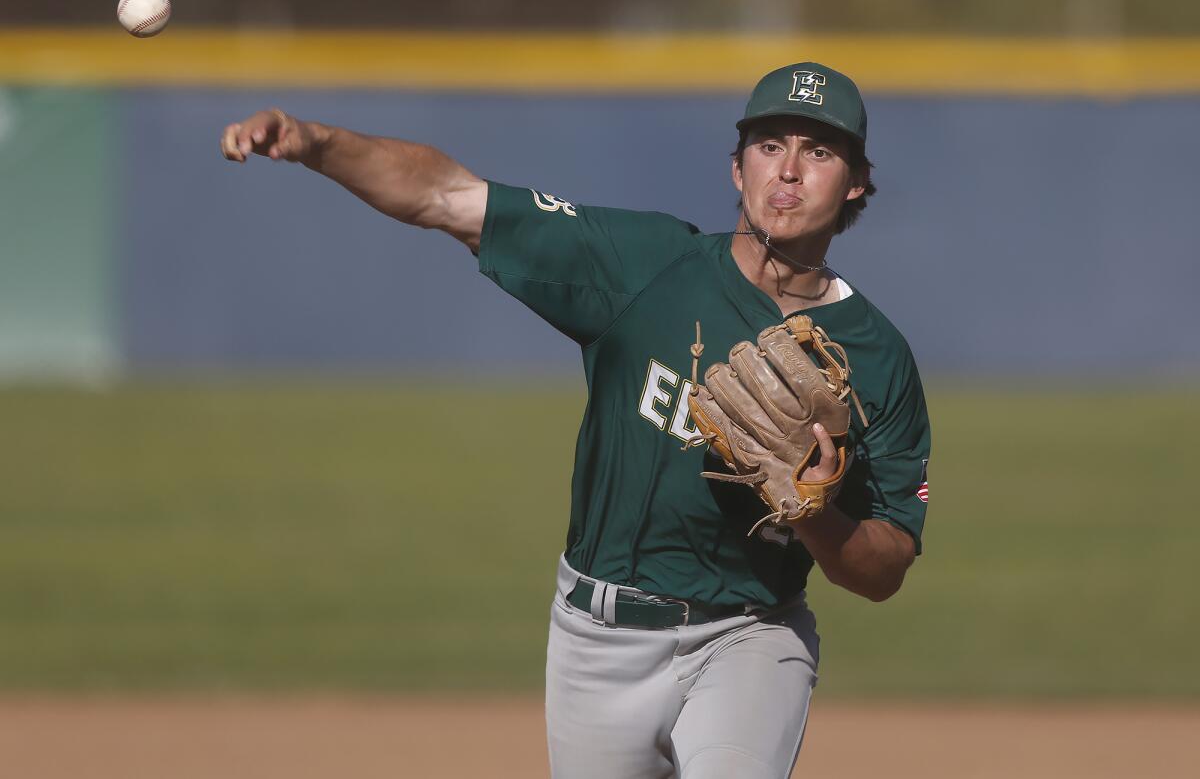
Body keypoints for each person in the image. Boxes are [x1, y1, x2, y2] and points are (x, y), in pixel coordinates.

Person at [220, 62, 932, 779]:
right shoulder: (646, 264)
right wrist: (315, 142)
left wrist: (814, 511)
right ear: (736, 167)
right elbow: (447, 197)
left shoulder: (877, 358)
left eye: (819, 151)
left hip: (750, 638)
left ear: (856, 182)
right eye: (770, 144)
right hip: (598, 641)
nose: (789, 171)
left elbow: (886, 565)